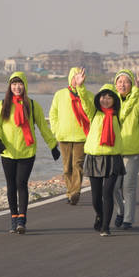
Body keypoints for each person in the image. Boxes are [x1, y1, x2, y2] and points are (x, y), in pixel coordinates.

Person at [0, 72, 60, 234]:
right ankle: (13, 218)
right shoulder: (3, 105)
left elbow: (43, 127)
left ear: (25, 85)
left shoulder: (33, 105)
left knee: (21, 184)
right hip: (7, 152)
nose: (17, 87)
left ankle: (22, 219)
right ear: (10, 86)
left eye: (20, 83)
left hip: (27, 152)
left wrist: (52, 145)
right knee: (11, 185)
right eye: (14, 84)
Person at [112, 69, 139, 230]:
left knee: (128, 186)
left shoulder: (138, 101)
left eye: (126, 82)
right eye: (119, 81)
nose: (122, 84)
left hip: (133, 152)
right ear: (115, 84)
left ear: (131, 84)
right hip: (115, 152)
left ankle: (128, 219)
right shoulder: (112, 101)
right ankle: (120, 210)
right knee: (113, 187)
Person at [83, 84, 126, 236]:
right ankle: (100, 215)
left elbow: (129, 103)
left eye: (109, 97)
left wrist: (136, 90)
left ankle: (105, 227)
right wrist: (80, 86)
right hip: (94, 158)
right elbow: (84, 101)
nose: (106, 100)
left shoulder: (118, 114)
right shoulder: (93, 112)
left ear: (114, 100)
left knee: (107, 193)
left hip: (113, 158)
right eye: (103, 97)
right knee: (96, 197)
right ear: (98, 98)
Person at [49, 67, 93, 205]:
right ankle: (70, 192)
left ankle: (75, 192)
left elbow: (91, 113)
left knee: (77, 165)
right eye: (74, 77)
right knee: (67, 167)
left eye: (79, 77)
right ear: (70, 78)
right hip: (64, 137)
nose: (76, 80)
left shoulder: (87, 95)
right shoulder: (60, 94)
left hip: (81, 137)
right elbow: (53, 114)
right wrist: (56, 131)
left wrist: (81, 91)